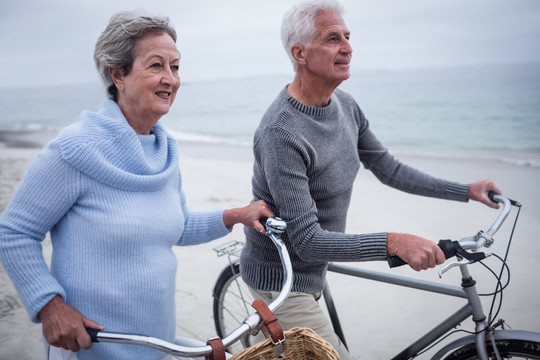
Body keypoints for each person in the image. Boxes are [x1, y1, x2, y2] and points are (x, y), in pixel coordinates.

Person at [0, 11, 274, 360]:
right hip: (93, 350)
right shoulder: (74, 150)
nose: (170, 79)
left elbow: (175, 224)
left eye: (175, 67)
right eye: (156, 65)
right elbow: (14, 233)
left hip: (155, 345)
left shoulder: (164, 149)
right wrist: (50, 306)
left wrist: (236, 214)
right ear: (118, 74)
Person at [239, 0, 501, 358]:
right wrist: (392, 242)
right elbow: (308, 242)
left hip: (316, 272)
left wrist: (467, 190)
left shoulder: (345, 106)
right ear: (299, 53)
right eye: (333, 38)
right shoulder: (280, 133)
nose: (347, 47)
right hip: (282, 282)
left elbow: (389, 169)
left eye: (347, 36)